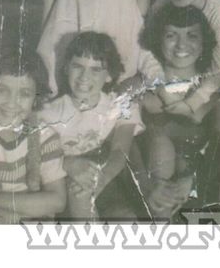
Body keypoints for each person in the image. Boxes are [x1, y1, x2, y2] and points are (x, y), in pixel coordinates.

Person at [38, 32, 144, 220]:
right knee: (79, 195)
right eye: (77, 66)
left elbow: (120, 152)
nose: (84, 77)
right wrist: (68, 163)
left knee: (124, 217)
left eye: (96, 70)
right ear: (65, 68)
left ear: (109, 75)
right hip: (64, 182)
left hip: (107, 176)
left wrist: (99, 181)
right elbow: (39, 158)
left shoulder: (121, 105)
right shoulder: (49, 112)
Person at [139, 4, 220, 219]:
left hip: (200, 191)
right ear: (158, 39)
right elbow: (123, 148)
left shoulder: (218, 94)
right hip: (149, 195)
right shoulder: (141, 90)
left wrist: (193, 180)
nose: (181, 44)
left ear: (203, 42)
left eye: (192, 36)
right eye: (171, 35)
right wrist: (146, 186)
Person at [0, 51, 66, 224]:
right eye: (2, 90)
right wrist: (10, 217)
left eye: (24, 94)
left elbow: (57, 201)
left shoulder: (45, 137)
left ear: (36, 99)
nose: (11, 102)